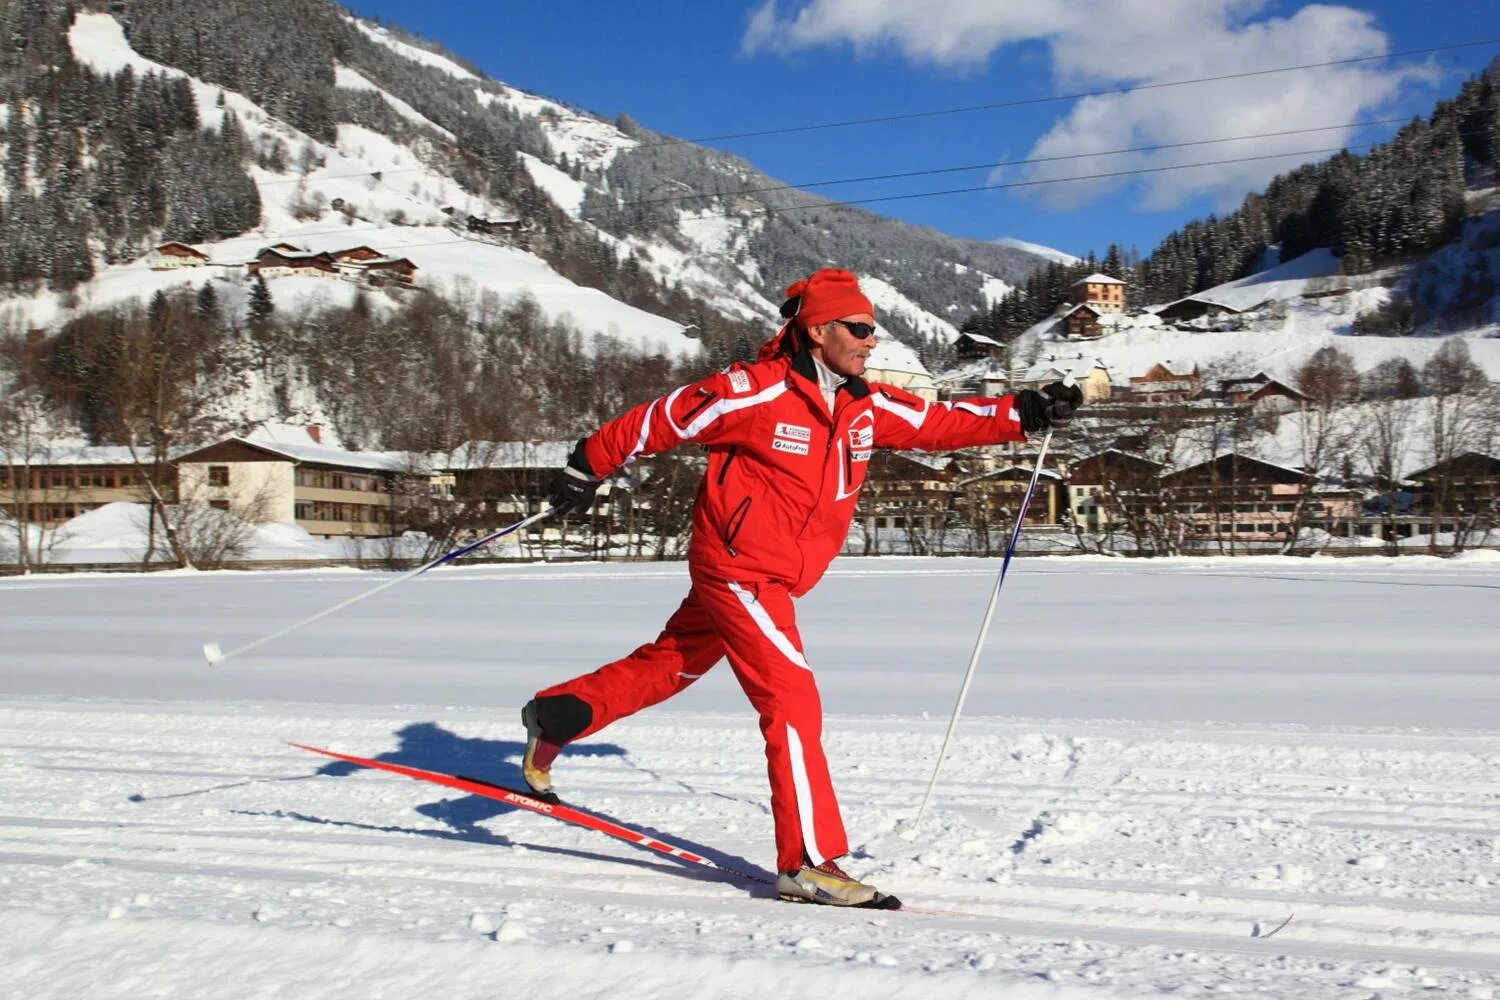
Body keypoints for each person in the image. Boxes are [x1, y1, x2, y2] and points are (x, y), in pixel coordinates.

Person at [522, 268, 1081, 909]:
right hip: (739, 568)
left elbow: (941, 423)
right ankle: (809, 861)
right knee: (790, 697)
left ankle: (561, 713)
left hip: (780, 575)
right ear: (819, 330)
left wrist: (1025, 413)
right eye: (860, 328)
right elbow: (662, 420)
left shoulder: (865, 405)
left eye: (874, 330)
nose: (872, 341)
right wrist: (587, 465)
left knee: (673, 664)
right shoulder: (752, 391)